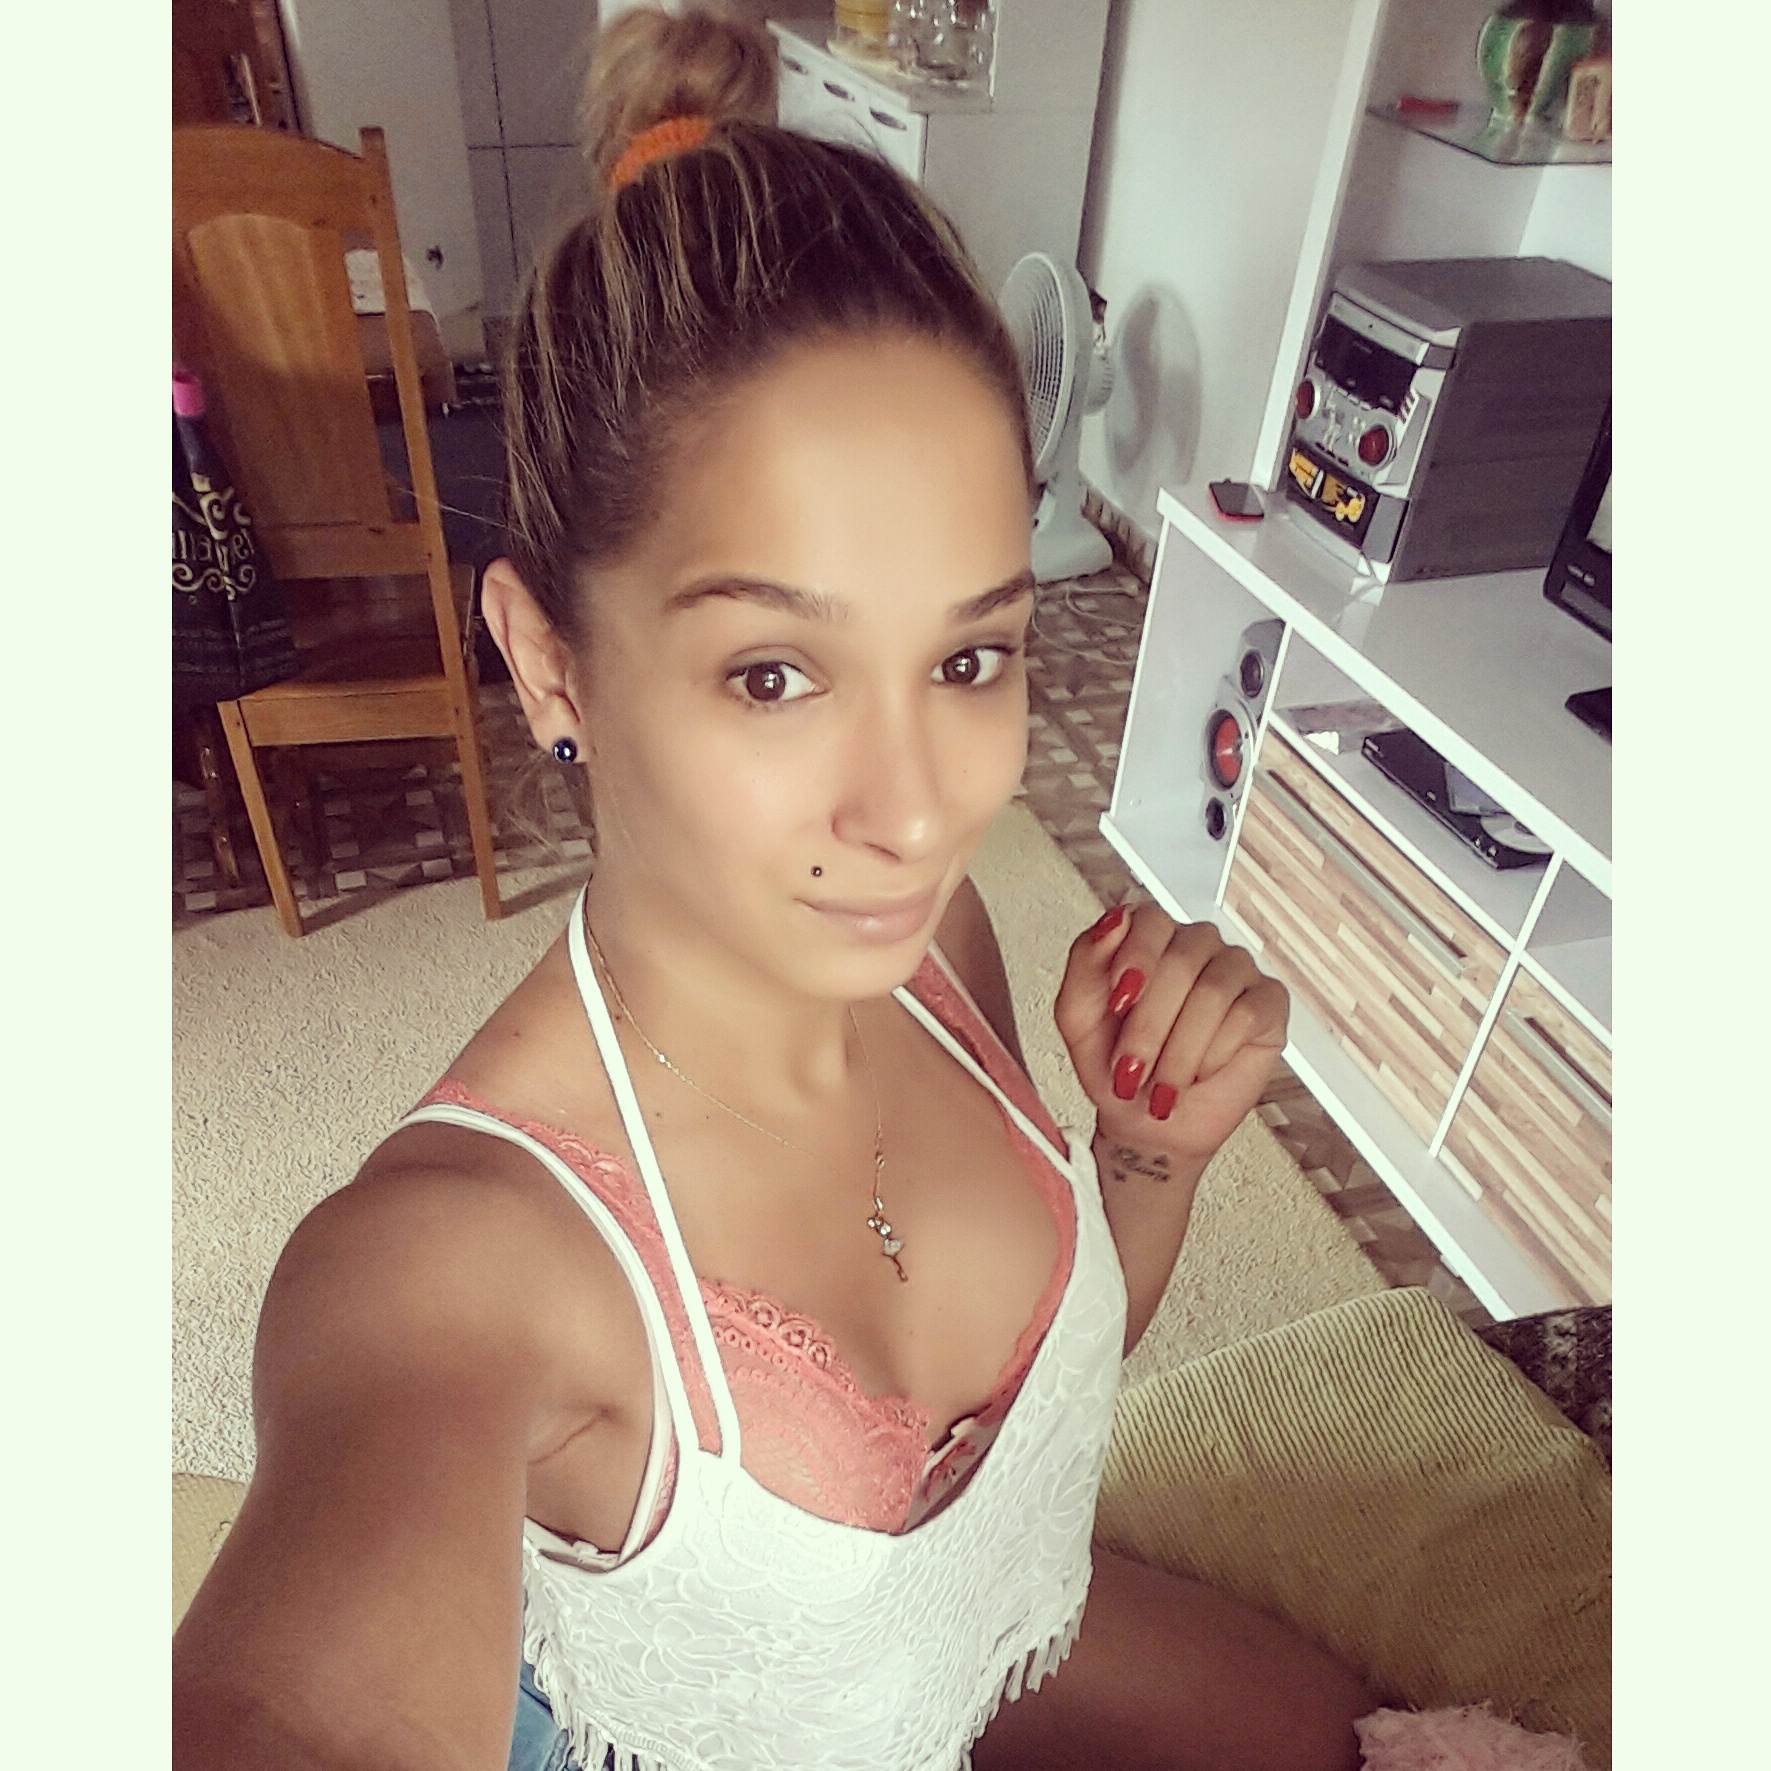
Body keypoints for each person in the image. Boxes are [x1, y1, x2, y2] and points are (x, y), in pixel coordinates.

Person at [172, 8, 1373, 1768]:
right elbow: (289, 1709)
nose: (914, 811)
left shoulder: (940, 949)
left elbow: (1035, 1414)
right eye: (774, 674)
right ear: (551, 661)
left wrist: (1146, 1158)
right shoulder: (450, 1266)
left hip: (978, 1641)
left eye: (969, 658)